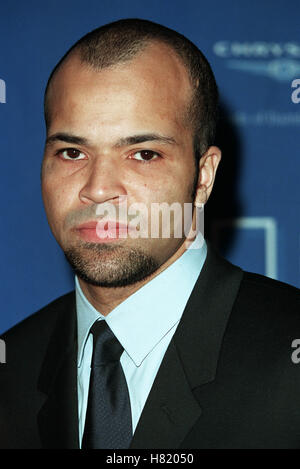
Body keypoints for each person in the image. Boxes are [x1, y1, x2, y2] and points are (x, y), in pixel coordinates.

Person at [0, 18, 299, 450]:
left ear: (203, 176)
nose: (98, 188)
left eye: (143, 154)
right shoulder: (12, 370)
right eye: (72, 152)